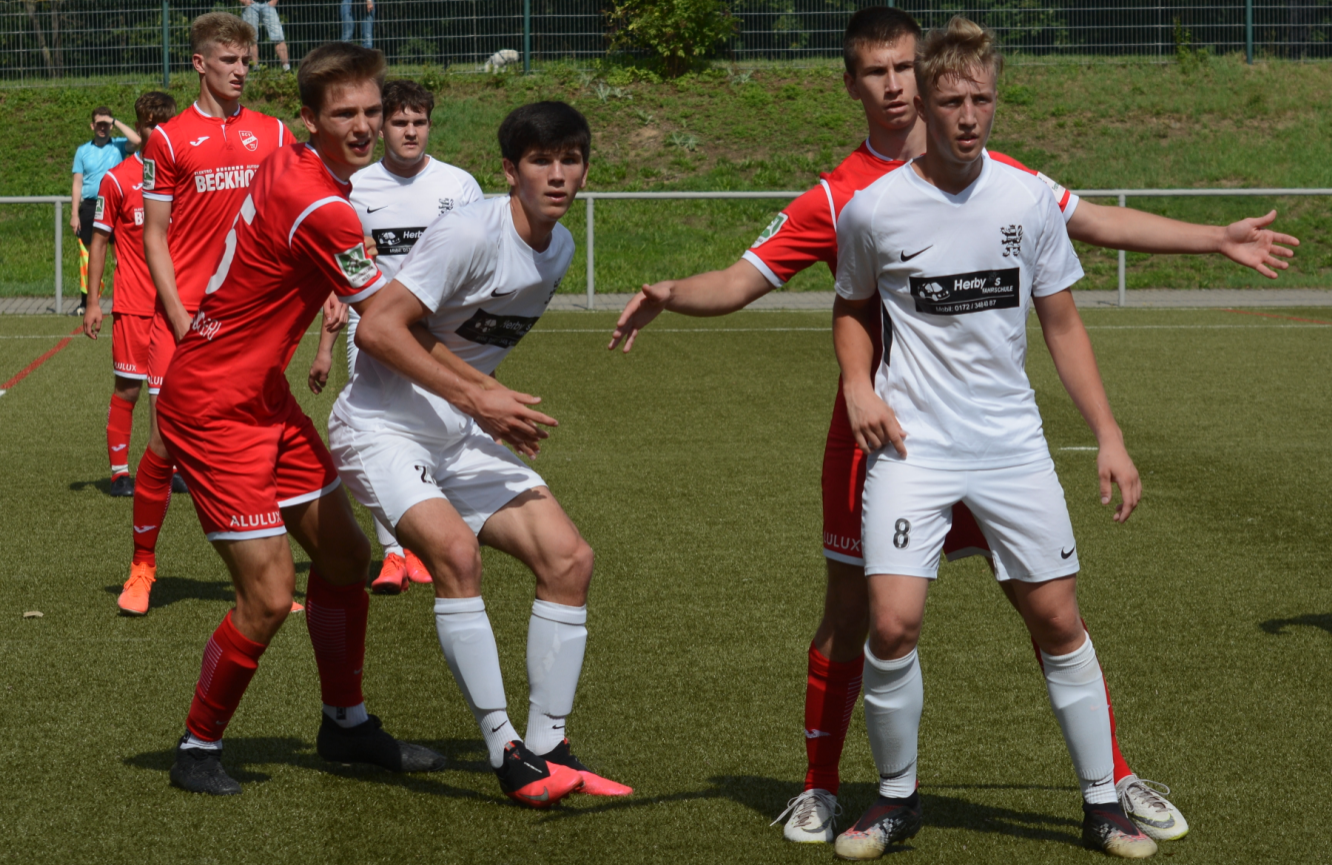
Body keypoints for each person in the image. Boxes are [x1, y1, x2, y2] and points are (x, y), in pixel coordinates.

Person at [609, 5, 1297, 847]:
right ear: (855, 84)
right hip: (889, 436)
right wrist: (676, 293)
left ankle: (1109, 782)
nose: (898, 86)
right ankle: (832, 787)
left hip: (1001, 438)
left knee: (1048, 609)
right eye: (878, 72)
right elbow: (751, 281)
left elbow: (1090, 229)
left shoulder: (1013, 184)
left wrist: (1213, 237)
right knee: (866, 614)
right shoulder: (849, 200)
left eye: (907, 67)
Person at [830, 18, 1160, 858]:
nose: (969, 115)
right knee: (892, 624)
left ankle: (1102, 803)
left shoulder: (1026, 198)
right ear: (924, 105)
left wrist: (1109, 434)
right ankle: (895, 799)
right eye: (951, 102)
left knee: (1057, 618)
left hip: (1013, 445)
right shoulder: (873, 209)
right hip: (913, 448)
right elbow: (852, 307)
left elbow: (1063, 324)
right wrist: (859, 385)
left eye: (981, 98)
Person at [155, 41, 445, 796]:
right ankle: (196, 746)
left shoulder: (294, 163)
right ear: (309, 119)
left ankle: (345, 724)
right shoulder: (321, 204)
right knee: (268, 595)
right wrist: (477, 392)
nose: (364, 126)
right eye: (344, 113)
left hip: (262, 396)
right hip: (212, 408)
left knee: (346, 559)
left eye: (372, 110)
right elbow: (383, 324)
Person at [327, 101, 632, 808]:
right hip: (379, 426)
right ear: (509, 171)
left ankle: (549, 746)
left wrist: (480, 402)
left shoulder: (560, 248)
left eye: (571, 160)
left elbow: (466, 344)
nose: (557, 175)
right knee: (457, 557)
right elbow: (377, 329)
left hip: (458, 431)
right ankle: (506, 752)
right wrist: (479, 398)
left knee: (569, 559)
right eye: (540, 160)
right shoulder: (469, 231)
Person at [134, 12, 292, 616]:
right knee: (165, 441)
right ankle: (143, 565)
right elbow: (154, 235)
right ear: (200, 63)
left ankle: (267, 579)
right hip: (183, 316)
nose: (241, 71)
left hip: (250, 320)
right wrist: (179, 315)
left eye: (247, 61)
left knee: (260, 444)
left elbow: (290, 213)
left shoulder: (273, 133)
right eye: (229, 60)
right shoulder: (168, 139)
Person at [308, 78, 483, 595]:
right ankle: (392, 552)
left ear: (430, 125)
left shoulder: (459, 186)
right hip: (375, 328)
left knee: (436, 427)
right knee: (379, 433)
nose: (410, 132)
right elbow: (340, 271)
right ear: (381, 126)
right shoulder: (357, 187)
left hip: (440, 331)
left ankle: (424, 541)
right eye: (400, 122)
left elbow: (479, 263)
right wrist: (324, 346)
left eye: (419, 122)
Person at [81, 91, 177, 511]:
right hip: (134, 305)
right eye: (151, 125)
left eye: (165, 125)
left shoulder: (184, 176)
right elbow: (99, 241)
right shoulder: (117, 179)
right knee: (128, 388)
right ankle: (120, 472)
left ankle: (170, 466)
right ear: (138, 128)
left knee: (173, 390)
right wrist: (93, 302)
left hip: (175, 306)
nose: (158, 132)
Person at [71, 107, 141, 315]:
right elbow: (77, 183)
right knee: (90, 257)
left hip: (118, 206)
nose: (103, 128)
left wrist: (115, 121)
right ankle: (87, 303)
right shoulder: (83, 151)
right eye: (99, 124)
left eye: (106, 124)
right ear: (92, 126)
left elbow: (137, 141)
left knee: (121, 255)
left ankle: (127, 299)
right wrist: (74, 214)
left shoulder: (119, 145)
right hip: (91, 206)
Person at [240, 0, 290, 70]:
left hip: (268, 4)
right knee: (251, 38)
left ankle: (286, 68)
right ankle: (255, 68)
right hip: (250, 4)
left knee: (279, 37)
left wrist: (274, 1)